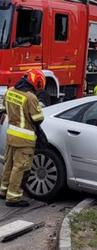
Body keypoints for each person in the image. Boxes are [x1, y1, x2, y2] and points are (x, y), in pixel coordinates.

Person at [0, 69, 45, 207]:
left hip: (11, 135)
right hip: (25, 139)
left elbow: (4, 110)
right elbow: (38, 119)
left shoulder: (10, 91)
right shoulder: (30, 97)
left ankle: (3, 190)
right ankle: (13, 197)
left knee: (9, 164)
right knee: (20, 168)